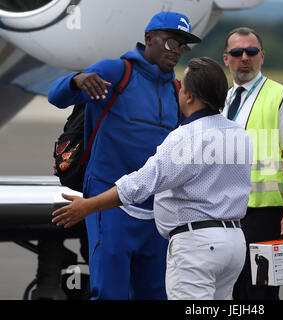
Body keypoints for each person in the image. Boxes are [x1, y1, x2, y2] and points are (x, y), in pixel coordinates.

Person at [51, 57, 253, 300]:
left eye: (183, 86)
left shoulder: (185, 137)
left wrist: (88, 206)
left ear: (189, 97)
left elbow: (140, 184)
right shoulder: (239, 134)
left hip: (198, 245)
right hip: (233, 244)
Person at [47, 11, 201, 300]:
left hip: (155, 208)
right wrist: (77, 80)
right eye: (171, 43)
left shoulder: (176, 90)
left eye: (183, 46)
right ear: (148, 39)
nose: (177, 52)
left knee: (155, 292)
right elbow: (55, 96)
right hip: (109, 202)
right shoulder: (116, 71)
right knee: (111, 292)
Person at [222, 27, 283, 300]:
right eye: (237, 53)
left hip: (266, 213)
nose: (244, 58)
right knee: (233, 290)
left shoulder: (280, 96)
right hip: (229, 212)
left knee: (261, 291)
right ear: (226, 59)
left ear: (262, 56)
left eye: (251, 52)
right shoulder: (224, 100)